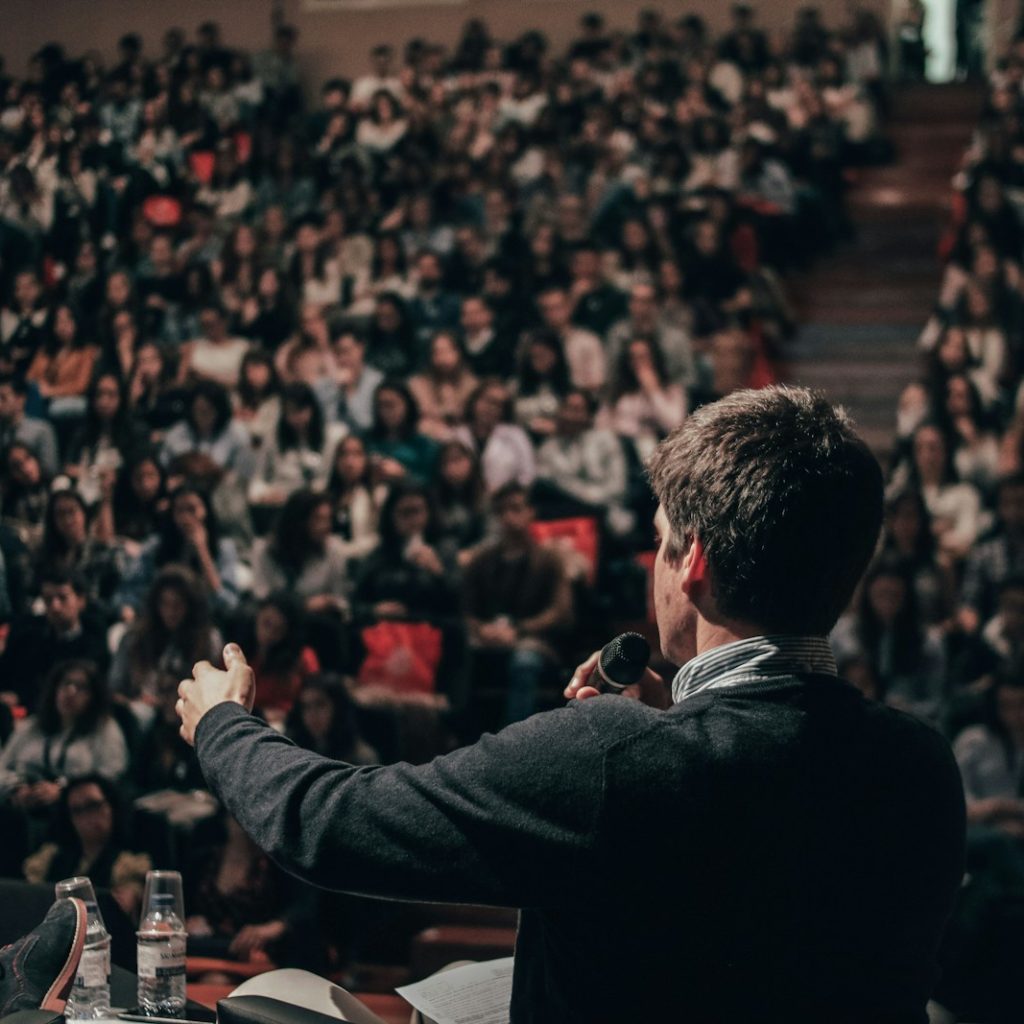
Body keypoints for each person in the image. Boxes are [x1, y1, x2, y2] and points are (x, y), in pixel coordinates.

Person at [177, 386, 966, 1023]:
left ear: (691, 560)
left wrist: (223, 724)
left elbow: (327, 826)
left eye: (659, 540)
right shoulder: (921, 764)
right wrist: (675, 726)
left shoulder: (612, 757)